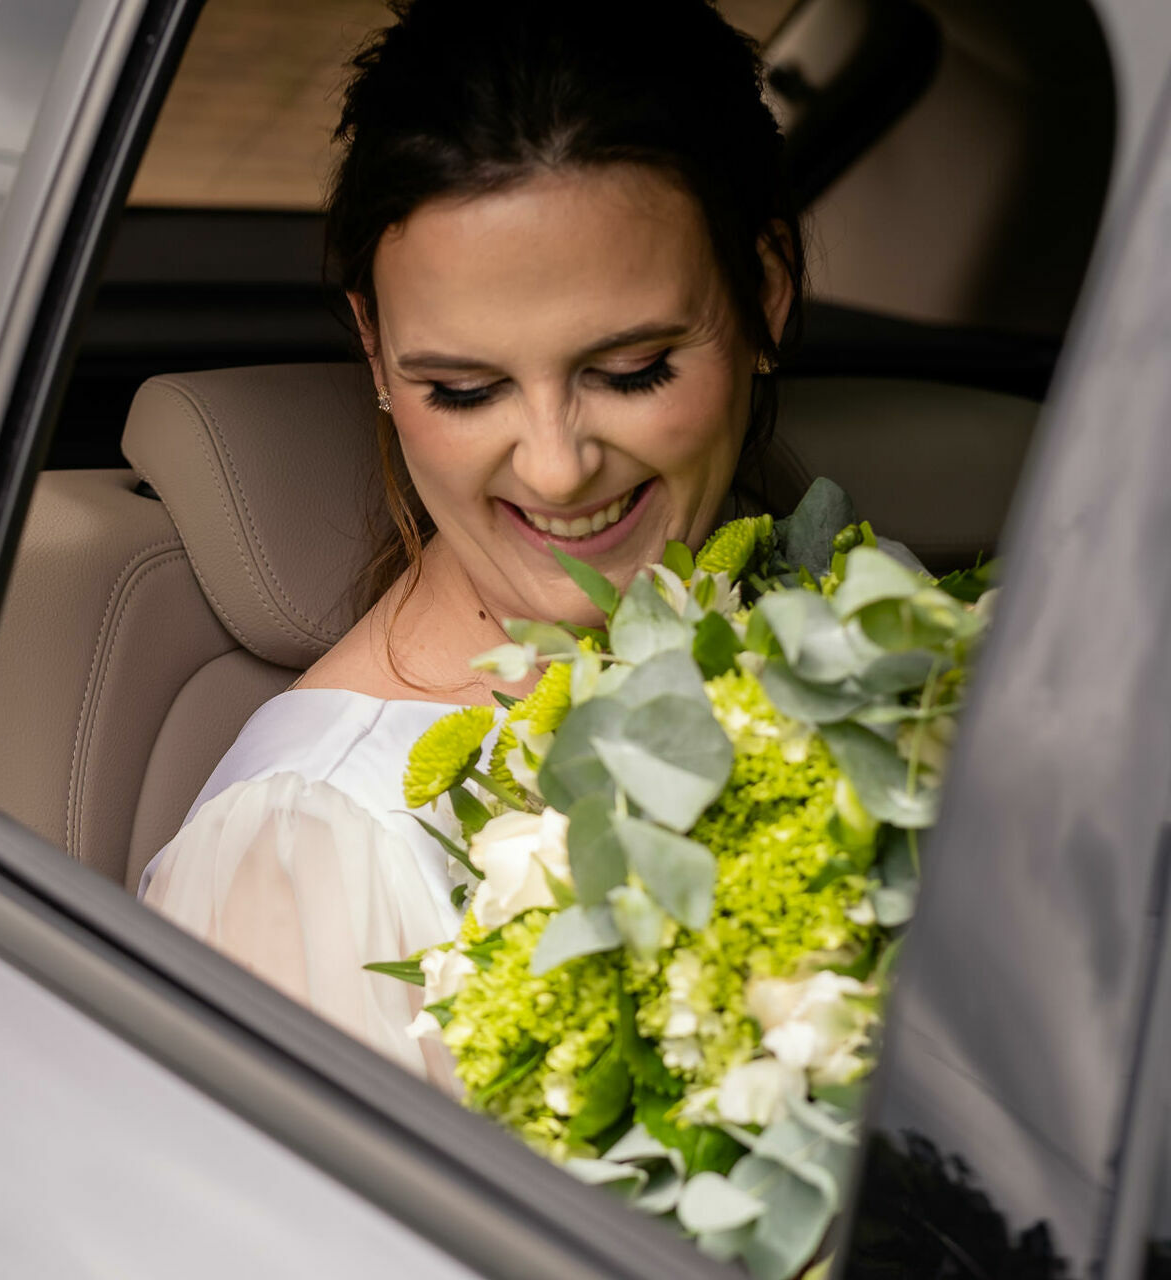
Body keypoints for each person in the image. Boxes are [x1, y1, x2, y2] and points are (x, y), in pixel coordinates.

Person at [139, 0, 803, 1086]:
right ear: (374, 348)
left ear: (764, 294)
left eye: (630, 369)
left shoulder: (850, 647)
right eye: (463, 387)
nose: (554, 465)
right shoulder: (315, 848)